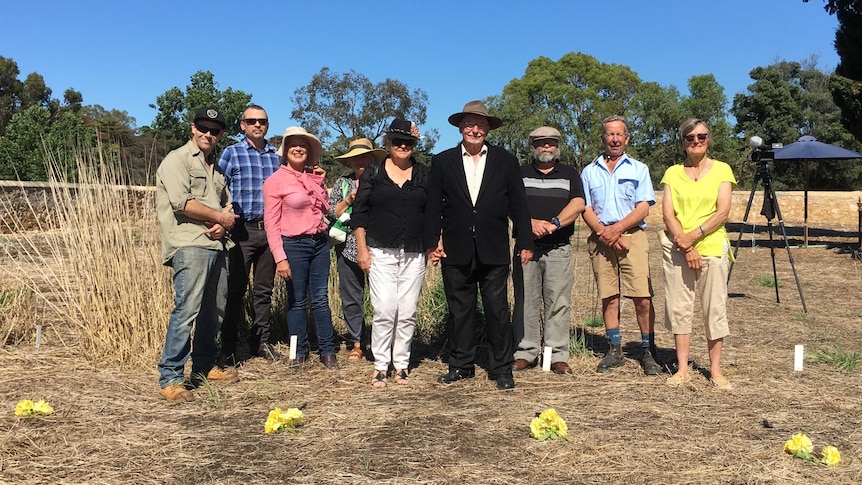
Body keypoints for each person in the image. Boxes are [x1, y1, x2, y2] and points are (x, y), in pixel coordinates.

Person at [424, 100, 534, 390]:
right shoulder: (442, 161)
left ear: (488, 129)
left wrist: (524, 240)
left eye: (480, 125)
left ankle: (501, 368)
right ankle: (461, 365)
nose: (475, 129)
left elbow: (519, 204)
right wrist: (432, 242)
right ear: (461, 128)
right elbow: (434, 206)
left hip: (493, 248)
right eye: (469, 124)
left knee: (497, 309)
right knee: (460, 310)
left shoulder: (506, 161)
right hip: (456, 248)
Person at [155, 107, 239, 402]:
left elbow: (227, 209)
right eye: (203, 127)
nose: (208, 134)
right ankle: (171, 377)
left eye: (214, 130)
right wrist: (220, 217)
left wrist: (222, 224)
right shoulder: (176, 160)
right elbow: (181, 203)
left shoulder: (216, 169)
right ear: (193, 128)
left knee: (213, 311)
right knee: (186, 310)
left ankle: (204, 366)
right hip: (189, 245)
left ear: (220, 135)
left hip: (217, 246)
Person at [581, 115, 662, 375]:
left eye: (619, 134)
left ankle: (648, 351)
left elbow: (643, 207)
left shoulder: (638, 169)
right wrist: (603, 232)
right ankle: (615, 349)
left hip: (632, 237)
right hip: (600, 238)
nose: (614, 139)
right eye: (609, 134)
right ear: (603, 137)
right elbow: (585, 207)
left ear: (626, 138)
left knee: (642, 296)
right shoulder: (589, 171)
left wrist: (616, 230)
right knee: (609, 296)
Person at [660, 118, 736, 389]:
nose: (696, 141)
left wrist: (692, 239)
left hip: (712, 248)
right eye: (690, 137)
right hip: (677, 249)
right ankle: (681, 369)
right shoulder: (672, 173)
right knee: (679, 308)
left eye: (701, 136)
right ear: (683, 142)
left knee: (713, 309)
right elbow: (668, 213)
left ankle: (715, 370)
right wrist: (686, 245)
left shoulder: (722, 170)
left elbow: (723, 212)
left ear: (708, 139)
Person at [351, 120, 428, 387]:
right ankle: (381, 365)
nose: (403, 146)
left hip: (414, 253)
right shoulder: (373, 172)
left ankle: (402, 365)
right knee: (384, 309)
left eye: (408, 142)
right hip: (379, 250)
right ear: (387, 143)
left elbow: (433, 213)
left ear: (415, 145)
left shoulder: (423, 174)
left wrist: (435, 243)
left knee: (407, 311)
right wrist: (362, 248)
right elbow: (359, 213)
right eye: (397, 141)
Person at [263, 126, 338, 369]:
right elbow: (271, 224)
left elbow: (325, 211)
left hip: (318, 244)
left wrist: (319, 181)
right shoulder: (275, 182)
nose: (298, 148)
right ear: (285, 150)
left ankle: (328, 351)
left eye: (303, 145)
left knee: (320, 298)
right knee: (296, 301)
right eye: (293, 144)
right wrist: (280, 257)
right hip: (293, 246)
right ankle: (298, 352)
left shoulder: (312, 177)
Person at [512, 126, 585, 375]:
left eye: (551, 143)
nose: (546, 147)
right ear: (533, 146)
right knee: (525, 301)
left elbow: (577, 204)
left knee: (558, 302)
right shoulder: (519, 173)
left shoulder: (569, 173)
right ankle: (525, 352)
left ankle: (556, 355)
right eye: (541, 143)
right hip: (527, 248)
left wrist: (553, 224)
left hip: (558, 248)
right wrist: (529, 224)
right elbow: (510, 204)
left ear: (558, 145)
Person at [218, 104, 281, 364]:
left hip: (269, 231)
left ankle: (260, 342)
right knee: (235, 290)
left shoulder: (276, 157)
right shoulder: (231, 153)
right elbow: (217, 187)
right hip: (240, 231)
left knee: (264, 290)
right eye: (252, 121)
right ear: (242, 125)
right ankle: (228, 346)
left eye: (262, 121)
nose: (257, 125)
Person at [328, 138, 388, 361]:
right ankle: (357, 343)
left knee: (382, 299)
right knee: (351, 297)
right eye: (356, 157)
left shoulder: (384, 181)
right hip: (346, 248)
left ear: (372, 158)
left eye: (364, 156)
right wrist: (348, 200)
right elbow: (331, 213)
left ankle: (382, 342)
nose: (360, 161)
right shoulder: (342, 183)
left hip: (378, 247)